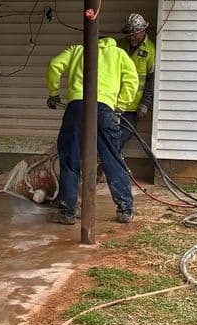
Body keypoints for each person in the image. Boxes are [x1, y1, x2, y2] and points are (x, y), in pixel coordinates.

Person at [46, 34, 138, 225]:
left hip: (77, 107)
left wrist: (54, 93)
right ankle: (125, 209)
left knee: (70, 157)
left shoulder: (77, 50)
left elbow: (55, 65)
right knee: (112, 156)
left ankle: (68, 212)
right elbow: (132, 80)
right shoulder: (119, 54)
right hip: (105, 108)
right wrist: (121, 105)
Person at [117, 12, 156, 151]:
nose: (131, 37)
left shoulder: (150, 50)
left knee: (126, 133)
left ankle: (107, 161)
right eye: (129, 34)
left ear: (143, 31)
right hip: (114, 101)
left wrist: (145, 103)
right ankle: (107, 162)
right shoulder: (119, 45)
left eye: (134, 34)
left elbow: (151, 80)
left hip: (133, 105)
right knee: (110, 134)